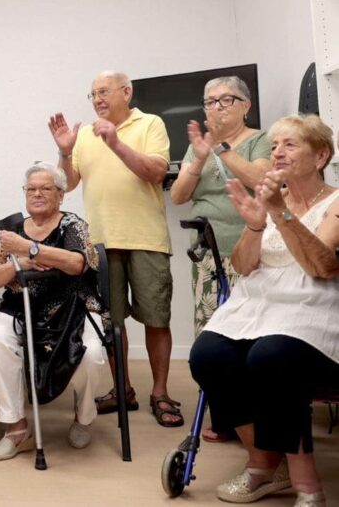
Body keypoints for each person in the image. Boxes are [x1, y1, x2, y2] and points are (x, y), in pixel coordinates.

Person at [190, 115, 339, 507]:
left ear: (321, 155)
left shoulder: (336, 201)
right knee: (207, 354)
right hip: (257, 306)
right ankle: (263, 464)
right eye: (274, 146)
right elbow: (242, 265)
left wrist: (281, 213)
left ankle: (306, 482)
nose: (277, 152)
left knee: (271, 357)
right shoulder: (270, 200)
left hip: (310, 307)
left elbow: (322, 265)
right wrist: (256, 226)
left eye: (289, 144)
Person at [48, 70, 183, 427]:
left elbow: (156, 172)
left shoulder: (150, 124)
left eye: (104, 92)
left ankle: (160, 393)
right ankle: (122, 389)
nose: (98, 100)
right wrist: (64, 152)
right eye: (92, 94)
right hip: (100, 243)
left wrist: (116, 143)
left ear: (127, 91)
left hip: (146, 238)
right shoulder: (87, 134)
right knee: (111, 322)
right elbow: (69, 183)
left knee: (156, 319)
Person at [0, 162, 106, 460]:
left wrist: (31, 248)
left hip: (73, 307)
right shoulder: (11, 231)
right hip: (22, 307)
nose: (37, 194)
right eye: (31, 189)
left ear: (60, 195)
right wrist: (18, 263)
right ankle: (16, 428)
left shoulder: (73, 225)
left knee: (90, 354)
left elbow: (77, 263)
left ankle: (84, 417)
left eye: (45, 188)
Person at [169, 76, 271, 442]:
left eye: (225, 100)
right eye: (209, 102)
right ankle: (226, 419)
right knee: (211, 336)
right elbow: (179, 194)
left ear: (246, 105)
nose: (215, 107)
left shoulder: (261, 140)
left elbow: (261, 179)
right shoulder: (199, 146)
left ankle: (261, 421)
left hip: (253, 254)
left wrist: (222, 149)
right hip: (208, 258)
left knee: (251, 337)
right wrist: (198, 159)